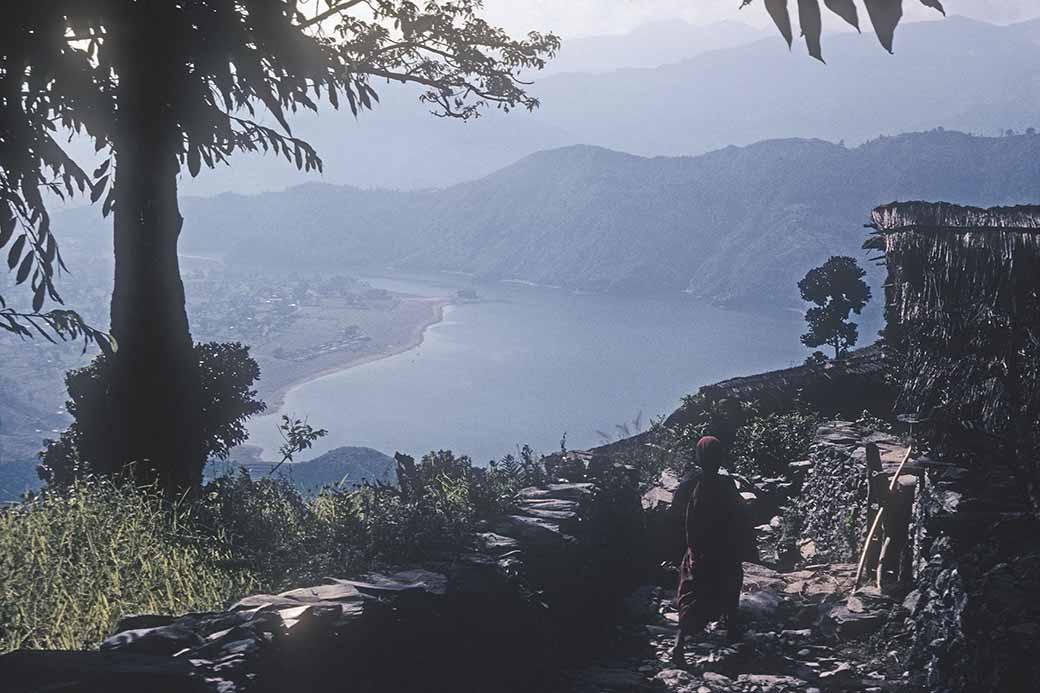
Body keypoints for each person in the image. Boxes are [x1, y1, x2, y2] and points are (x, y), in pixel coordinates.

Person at [671, 436, 749, 666]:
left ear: (699, 457)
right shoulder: (727, 484)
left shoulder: (689, 485)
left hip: (700, 552)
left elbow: (679, 519)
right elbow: (739, 516)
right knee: (730, 585)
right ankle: (732, 629)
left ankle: (680, 643)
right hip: (725, 551)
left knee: (691, 594)